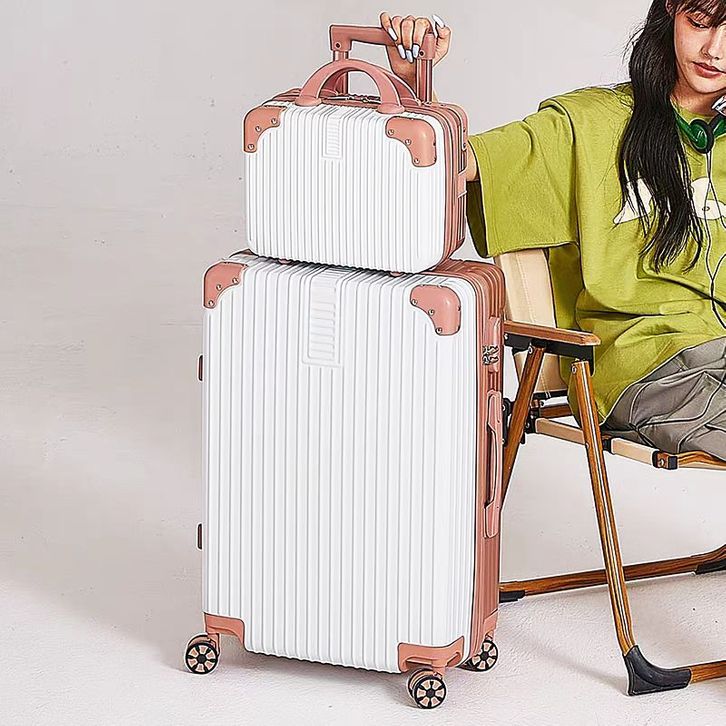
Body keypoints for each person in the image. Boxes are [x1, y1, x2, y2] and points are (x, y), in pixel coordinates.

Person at [379, 3, 726, 462]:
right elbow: (452, 159)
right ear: (671, 12)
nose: (714, 49)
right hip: (647, 365)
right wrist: (414, 86)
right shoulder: (588, 124)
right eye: (699, 23)